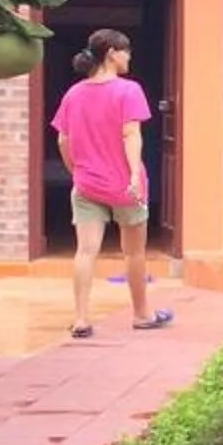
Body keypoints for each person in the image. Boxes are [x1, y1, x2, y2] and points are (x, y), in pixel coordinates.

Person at [49, 28, 172, 339]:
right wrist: (133, 175)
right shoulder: (129, 91)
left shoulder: (73, 94)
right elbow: (131, 134)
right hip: (124, 187)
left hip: (87, 185)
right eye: (125, 51)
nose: (129, 56)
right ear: (111, 54)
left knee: (85, 252)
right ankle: (142, 314)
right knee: (133, 253)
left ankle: (81, 319)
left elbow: (63, 138)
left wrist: (75, 170)